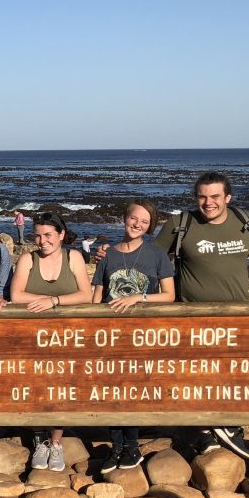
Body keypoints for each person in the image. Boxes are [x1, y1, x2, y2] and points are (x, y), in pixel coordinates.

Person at [151, 171, 249, 458]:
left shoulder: (244, 220)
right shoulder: (180, 224)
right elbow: (150, 260)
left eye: (214, 196)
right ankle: (205, 432)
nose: (208, 202)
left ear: (228, 197)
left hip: (240, 315)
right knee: (197, 376)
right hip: (193, 315)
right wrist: (111, 254)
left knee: (235, 375)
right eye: (202, 196)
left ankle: (229, 426)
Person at [90, 202, 175, 473]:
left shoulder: (157, 254)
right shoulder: (108, 255)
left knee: (133, 389)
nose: (137, 224)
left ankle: (133, 445)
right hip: (109, 335)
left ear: (150, 226)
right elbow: (96, 297)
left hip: (141, 334)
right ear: (124, 219)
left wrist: (139, 296)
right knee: (111, 389)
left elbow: (170, 296)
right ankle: (116, 446)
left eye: (145, 221)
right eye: (133, 218)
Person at [9, 211, 93, 472]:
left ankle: (55, 441)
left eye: (48, 235)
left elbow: (86, 295)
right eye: (38, 235)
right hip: (32, 335)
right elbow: (16, 294)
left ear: (61, 235)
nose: (42, 240)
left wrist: (53, 301)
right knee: (34, 386)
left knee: (61, 387)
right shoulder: (27, 259)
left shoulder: (74, 257)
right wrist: (44, 301)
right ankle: (39, 439)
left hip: (66, 335)